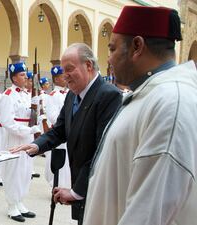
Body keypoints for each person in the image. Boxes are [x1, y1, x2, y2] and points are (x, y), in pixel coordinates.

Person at [84, 6, 197, 225]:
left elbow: (148, 213)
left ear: (137, 46)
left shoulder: (171, 103)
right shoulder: (152, 94)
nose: (108, 59)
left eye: (113, 48)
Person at [11, 43, 122, 225]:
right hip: (81, 182)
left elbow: (101, 151)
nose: (65, 75)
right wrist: (37, 144)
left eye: (69, 69)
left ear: (88, 65)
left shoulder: (108, 95)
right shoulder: (72, 95)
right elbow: (60, 129)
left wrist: (76, 191)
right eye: (63, 70)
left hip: (97, 188)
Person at [0, 62, 41, 222]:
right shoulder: (8, 95)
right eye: (22, 75)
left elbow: (31, 117)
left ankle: (20, 201)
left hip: (27, 137)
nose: (26, 77)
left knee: (25, 172)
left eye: (26, 74)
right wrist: (28, 131)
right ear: (14, 77)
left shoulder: (25, 95)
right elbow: (7, 122)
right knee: (13, 172)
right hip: (15, 137)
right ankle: (11, 205)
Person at [43, 66, 71, 188]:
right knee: (57, 158)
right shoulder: (53, 95)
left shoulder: (69, 93)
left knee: (68, 158)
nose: (65, 77)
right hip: (60, 131)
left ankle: (66, 184)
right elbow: (53, 116)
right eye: (62, 76)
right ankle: (56, 184)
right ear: (56, 79)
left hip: (69, 130)